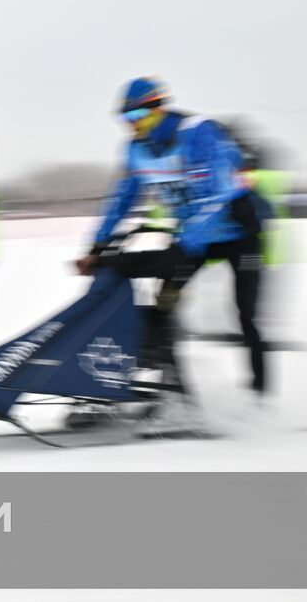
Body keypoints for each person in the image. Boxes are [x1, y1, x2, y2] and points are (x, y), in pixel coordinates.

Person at [77, 77, 270, 399]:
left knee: (245, 313)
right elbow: (122, 199)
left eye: (137, 116)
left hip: (240, 234)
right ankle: (174, 388)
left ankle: (259, 394)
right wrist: (98, 244)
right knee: (164, 303)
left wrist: (184, 245)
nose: (131, 124)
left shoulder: (197, 133)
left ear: (159, 109)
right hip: (195, 237)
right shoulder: (136, 149)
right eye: (125, 118)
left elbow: (215, 198)